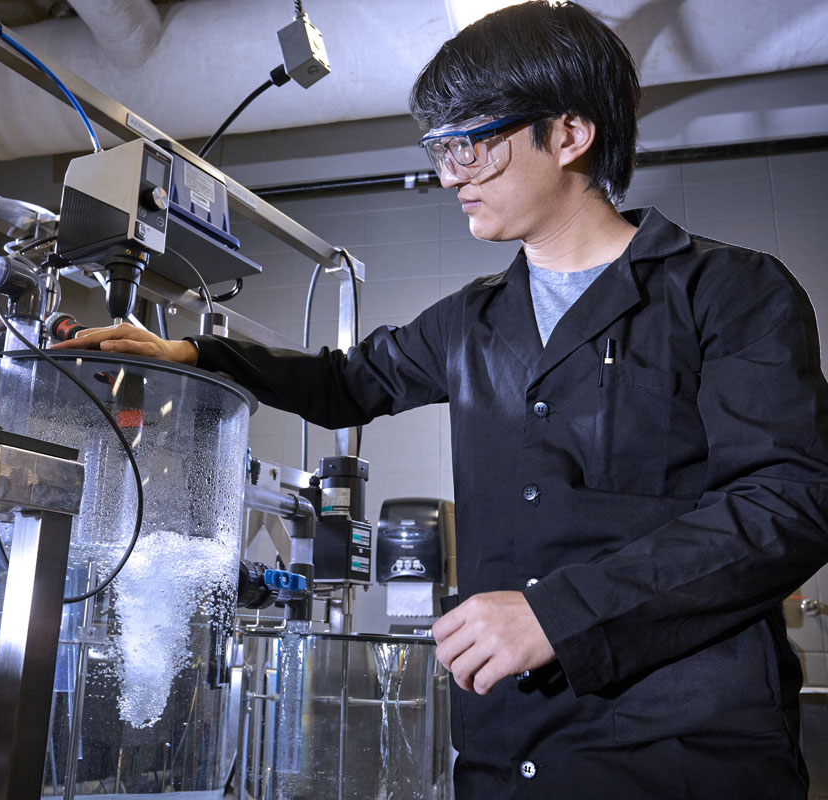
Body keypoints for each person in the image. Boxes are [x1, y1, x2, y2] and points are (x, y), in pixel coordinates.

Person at [55, 1, 828, 796]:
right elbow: (344, 382)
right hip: (508, 748)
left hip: (682, 749)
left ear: (568, 134)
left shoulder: (729, 291)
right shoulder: (473, 320)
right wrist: (193, 350)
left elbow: (789, 505)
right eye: (440, 147)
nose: (449, 173)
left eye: (473, 144)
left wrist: (559, 614)